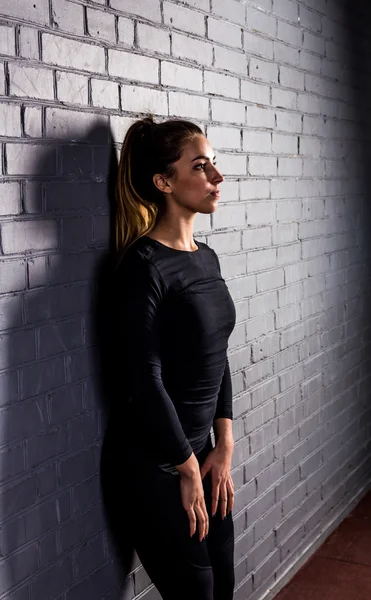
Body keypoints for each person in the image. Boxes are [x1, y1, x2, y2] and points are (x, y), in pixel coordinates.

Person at [100, 115, 236, 600]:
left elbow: (216, 357)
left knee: (224, 580)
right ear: (163, 182)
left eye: (214, 164)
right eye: (201, 167)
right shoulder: (143, 268)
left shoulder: (208, 256)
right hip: (157, 466)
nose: (216, 177)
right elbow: (144, 380)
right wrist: (185, 466)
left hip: (203, 456)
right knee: (196, 588)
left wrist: (223, 447)